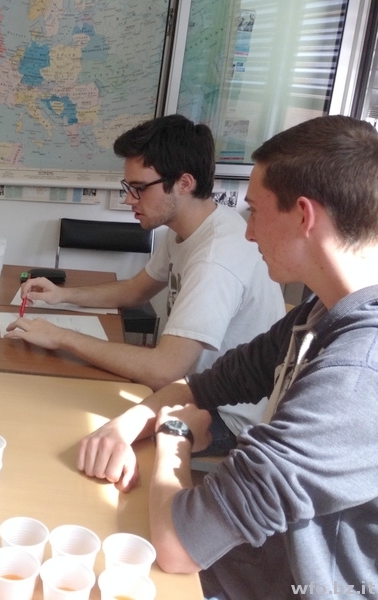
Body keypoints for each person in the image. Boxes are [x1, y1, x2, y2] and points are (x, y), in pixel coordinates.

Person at [77, 115, 378, 599]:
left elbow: (178, 546)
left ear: (304, 216)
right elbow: (202, 385)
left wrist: (174, 435)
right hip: (248, 559)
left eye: (254, 212)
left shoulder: (358, 377)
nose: (249, 233)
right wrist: (127, 424)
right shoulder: (320, 312)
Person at [5, 114, 285, 454]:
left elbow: (163, 371)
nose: (129, 199)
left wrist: (61, 336)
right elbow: (136, 290)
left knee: (69, 424)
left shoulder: (216, 258)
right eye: (129, 188)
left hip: (226, 417)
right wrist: (63, 295)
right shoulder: (187, 229)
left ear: (184, 183)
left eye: (139, 188)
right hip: (187, 387)